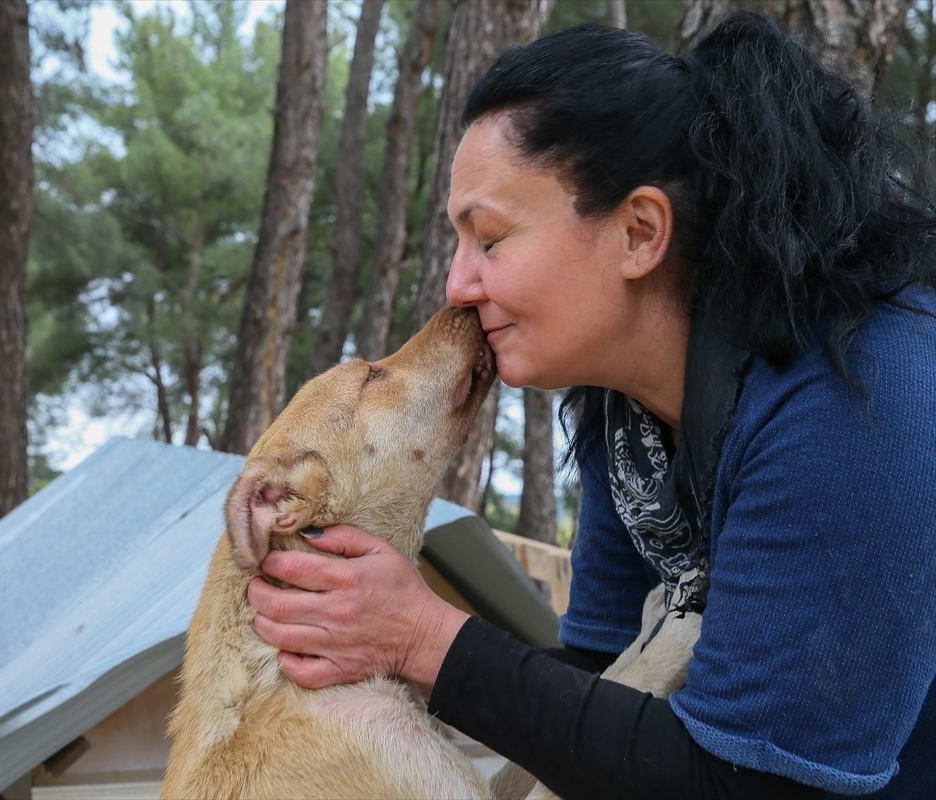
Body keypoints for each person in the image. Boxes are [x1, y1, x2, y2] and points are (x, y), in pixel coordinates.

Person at [246, 11, 936, 800]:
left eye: (491, 239)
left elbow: (751, 786)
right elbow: (602, 685)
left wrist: (422, 637)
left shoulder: (865, 398)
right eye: (456, 243)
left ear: (640, 233)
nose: (457, 285)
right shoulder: (629, 421)